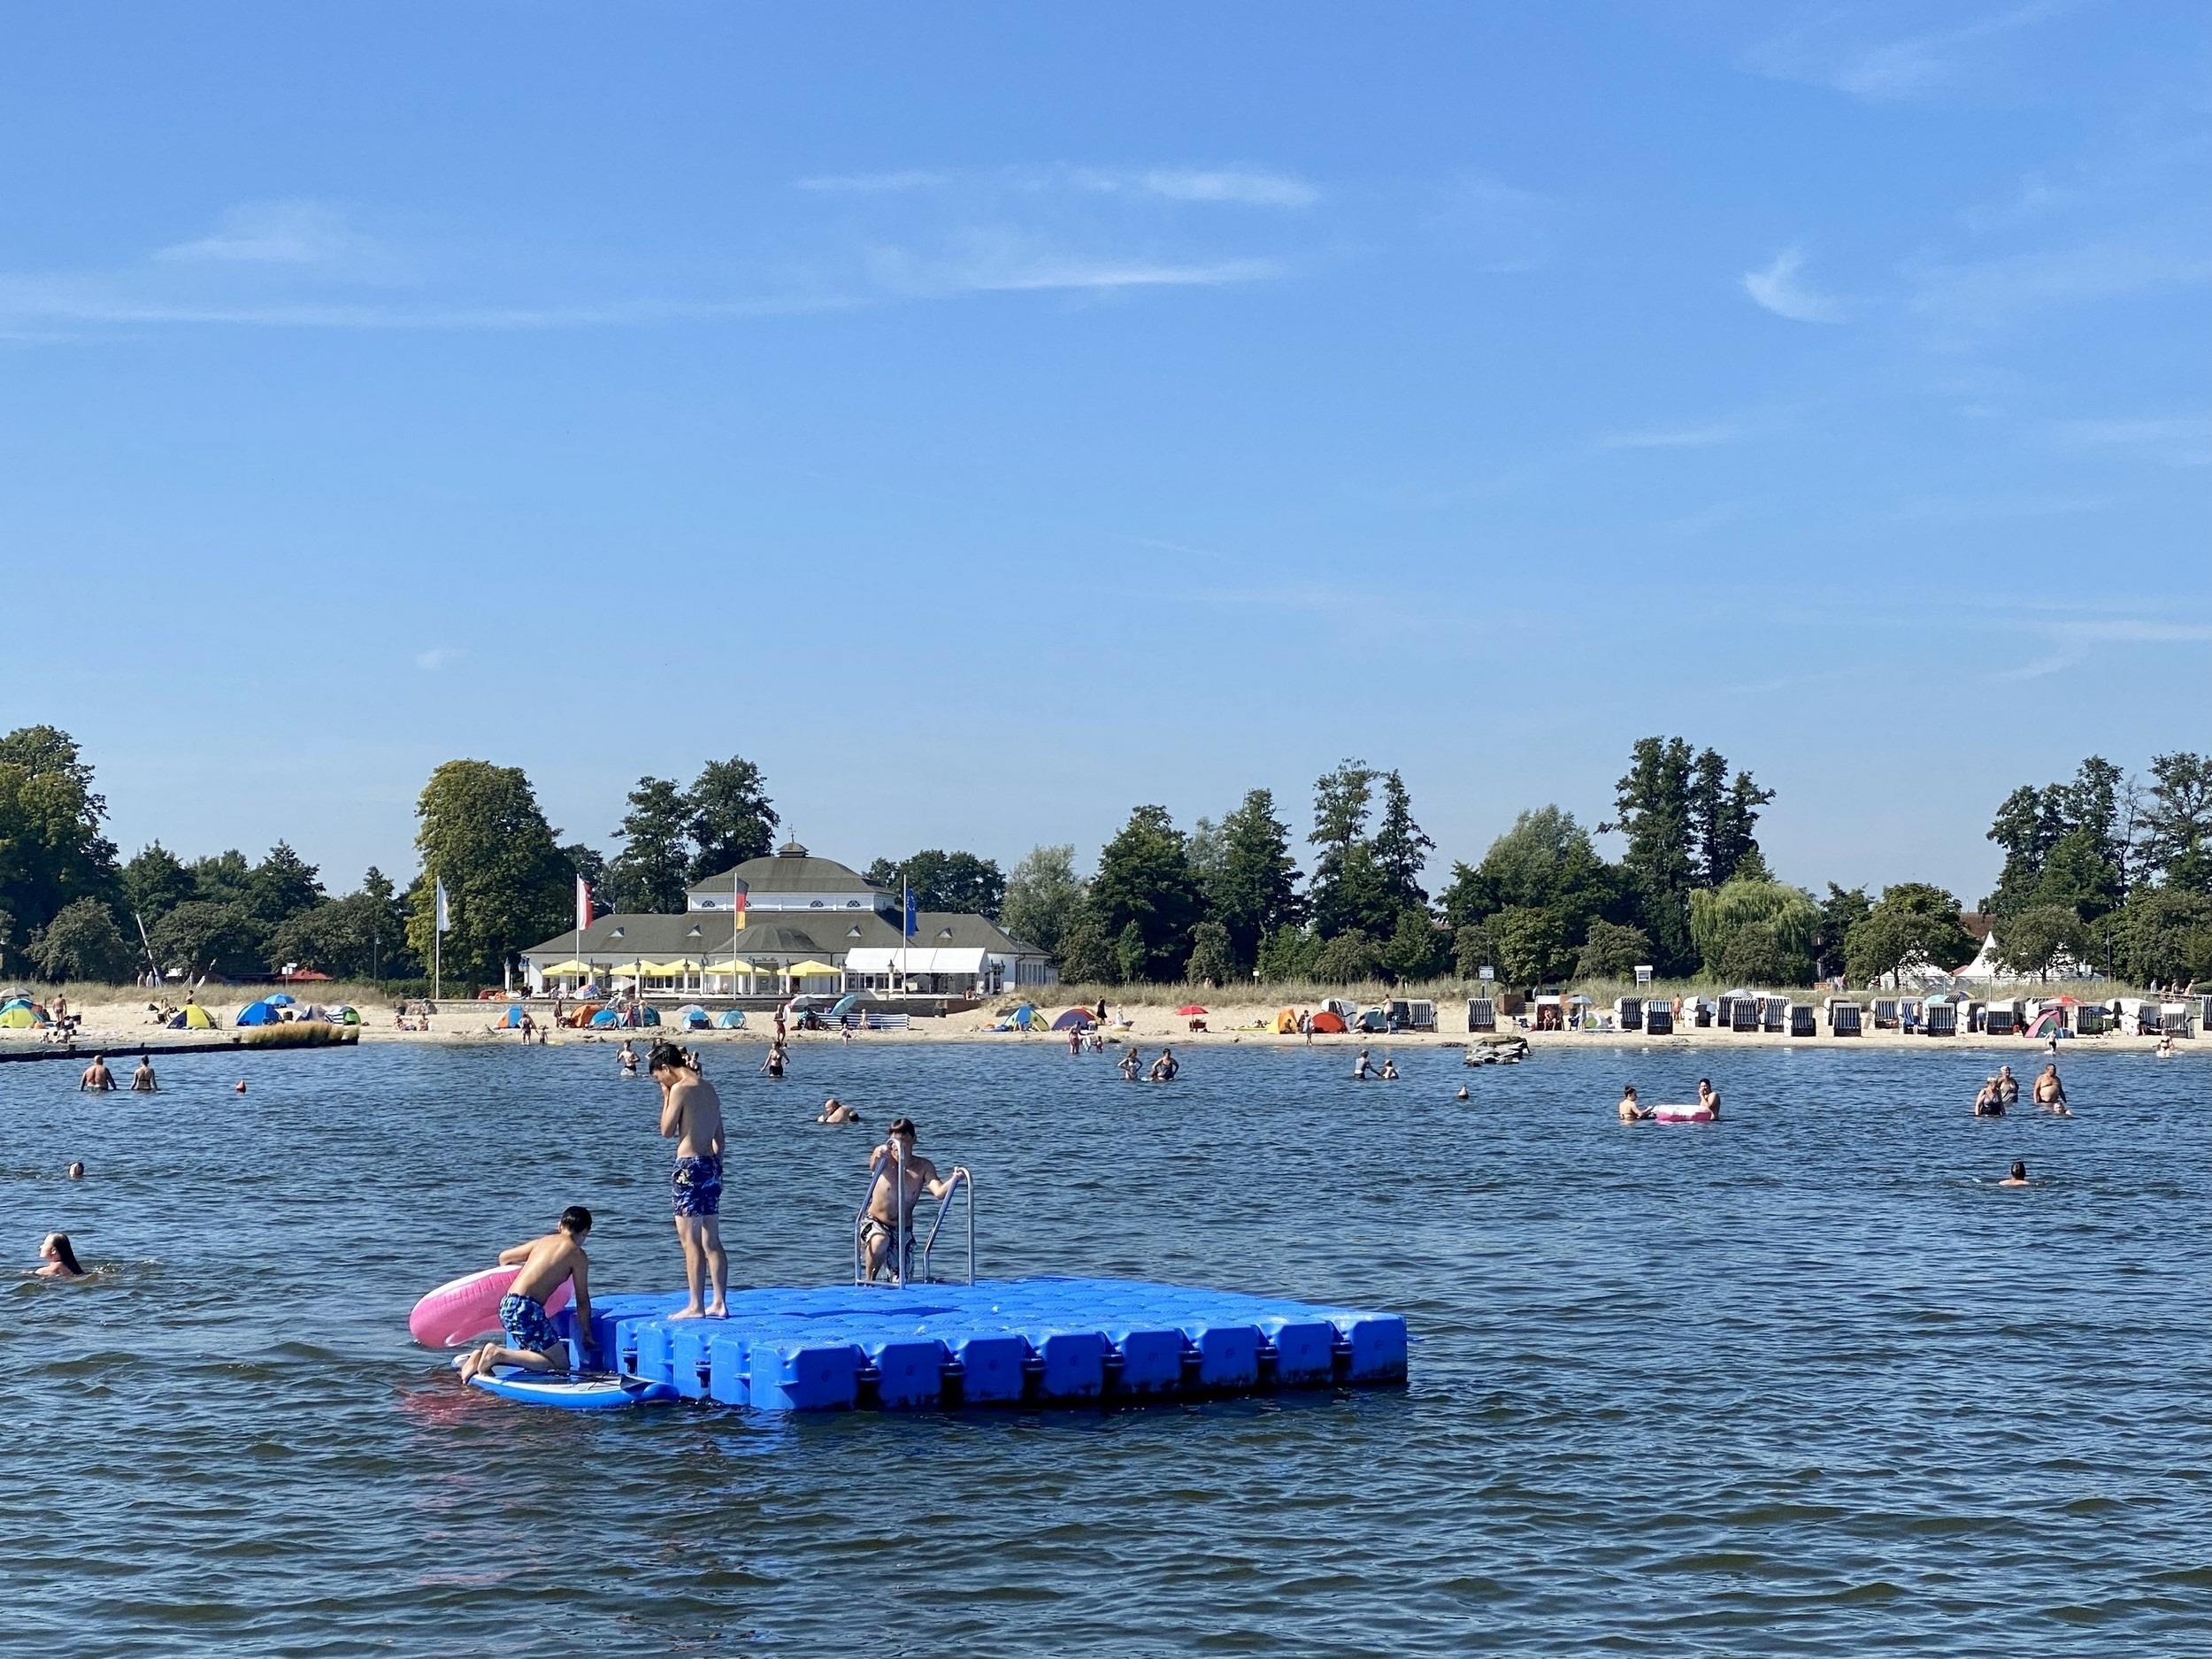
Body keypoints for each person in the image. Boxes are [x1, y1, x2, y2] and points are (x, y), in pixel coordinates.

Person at [456, 1206, 595, 1382]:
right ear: (585, 1232)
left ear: (559, 1225)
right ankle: (496, 1354)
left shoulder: (543, 1242)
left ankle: (478, 1356)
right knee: (560, 1365)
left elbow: (504, 1258)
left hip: (508, 1304)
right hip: (527, 1309)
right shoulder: (577, 1255)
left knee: (538, 1355)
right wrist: (586, 1332)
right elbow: (582, 1300)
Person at [653, 1041, 728, 1319]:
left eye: (659, 1078)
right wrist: (715, 1165)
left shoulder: (680, 1089)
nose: (661, 1083)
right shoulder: (708, 1088)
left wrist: (666, 1096)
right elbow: (720, 1138)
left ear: (665, 1068)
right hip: (710, 1164)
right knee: (712, 1239)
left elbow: (666, 1131)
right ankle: (719, 1302)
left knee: (690, 1240)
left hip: (688, 1166)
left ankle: (696, 1305)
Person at [861, 1118, 955, 1284]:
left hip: (902, 1228)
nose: (899, 1147)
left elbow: (939, 1192)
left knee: (901, 1281)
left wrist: (955, 1179)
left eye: (904, 1141)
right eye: (895, 1142)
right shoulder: (885, 1160)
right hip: (875, 1222)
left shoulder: (923, 1166)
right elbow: (873, 1164)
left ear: (914, 1140)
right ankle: (869, 1282)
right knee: (880, 1240)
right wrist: (878, 1152)